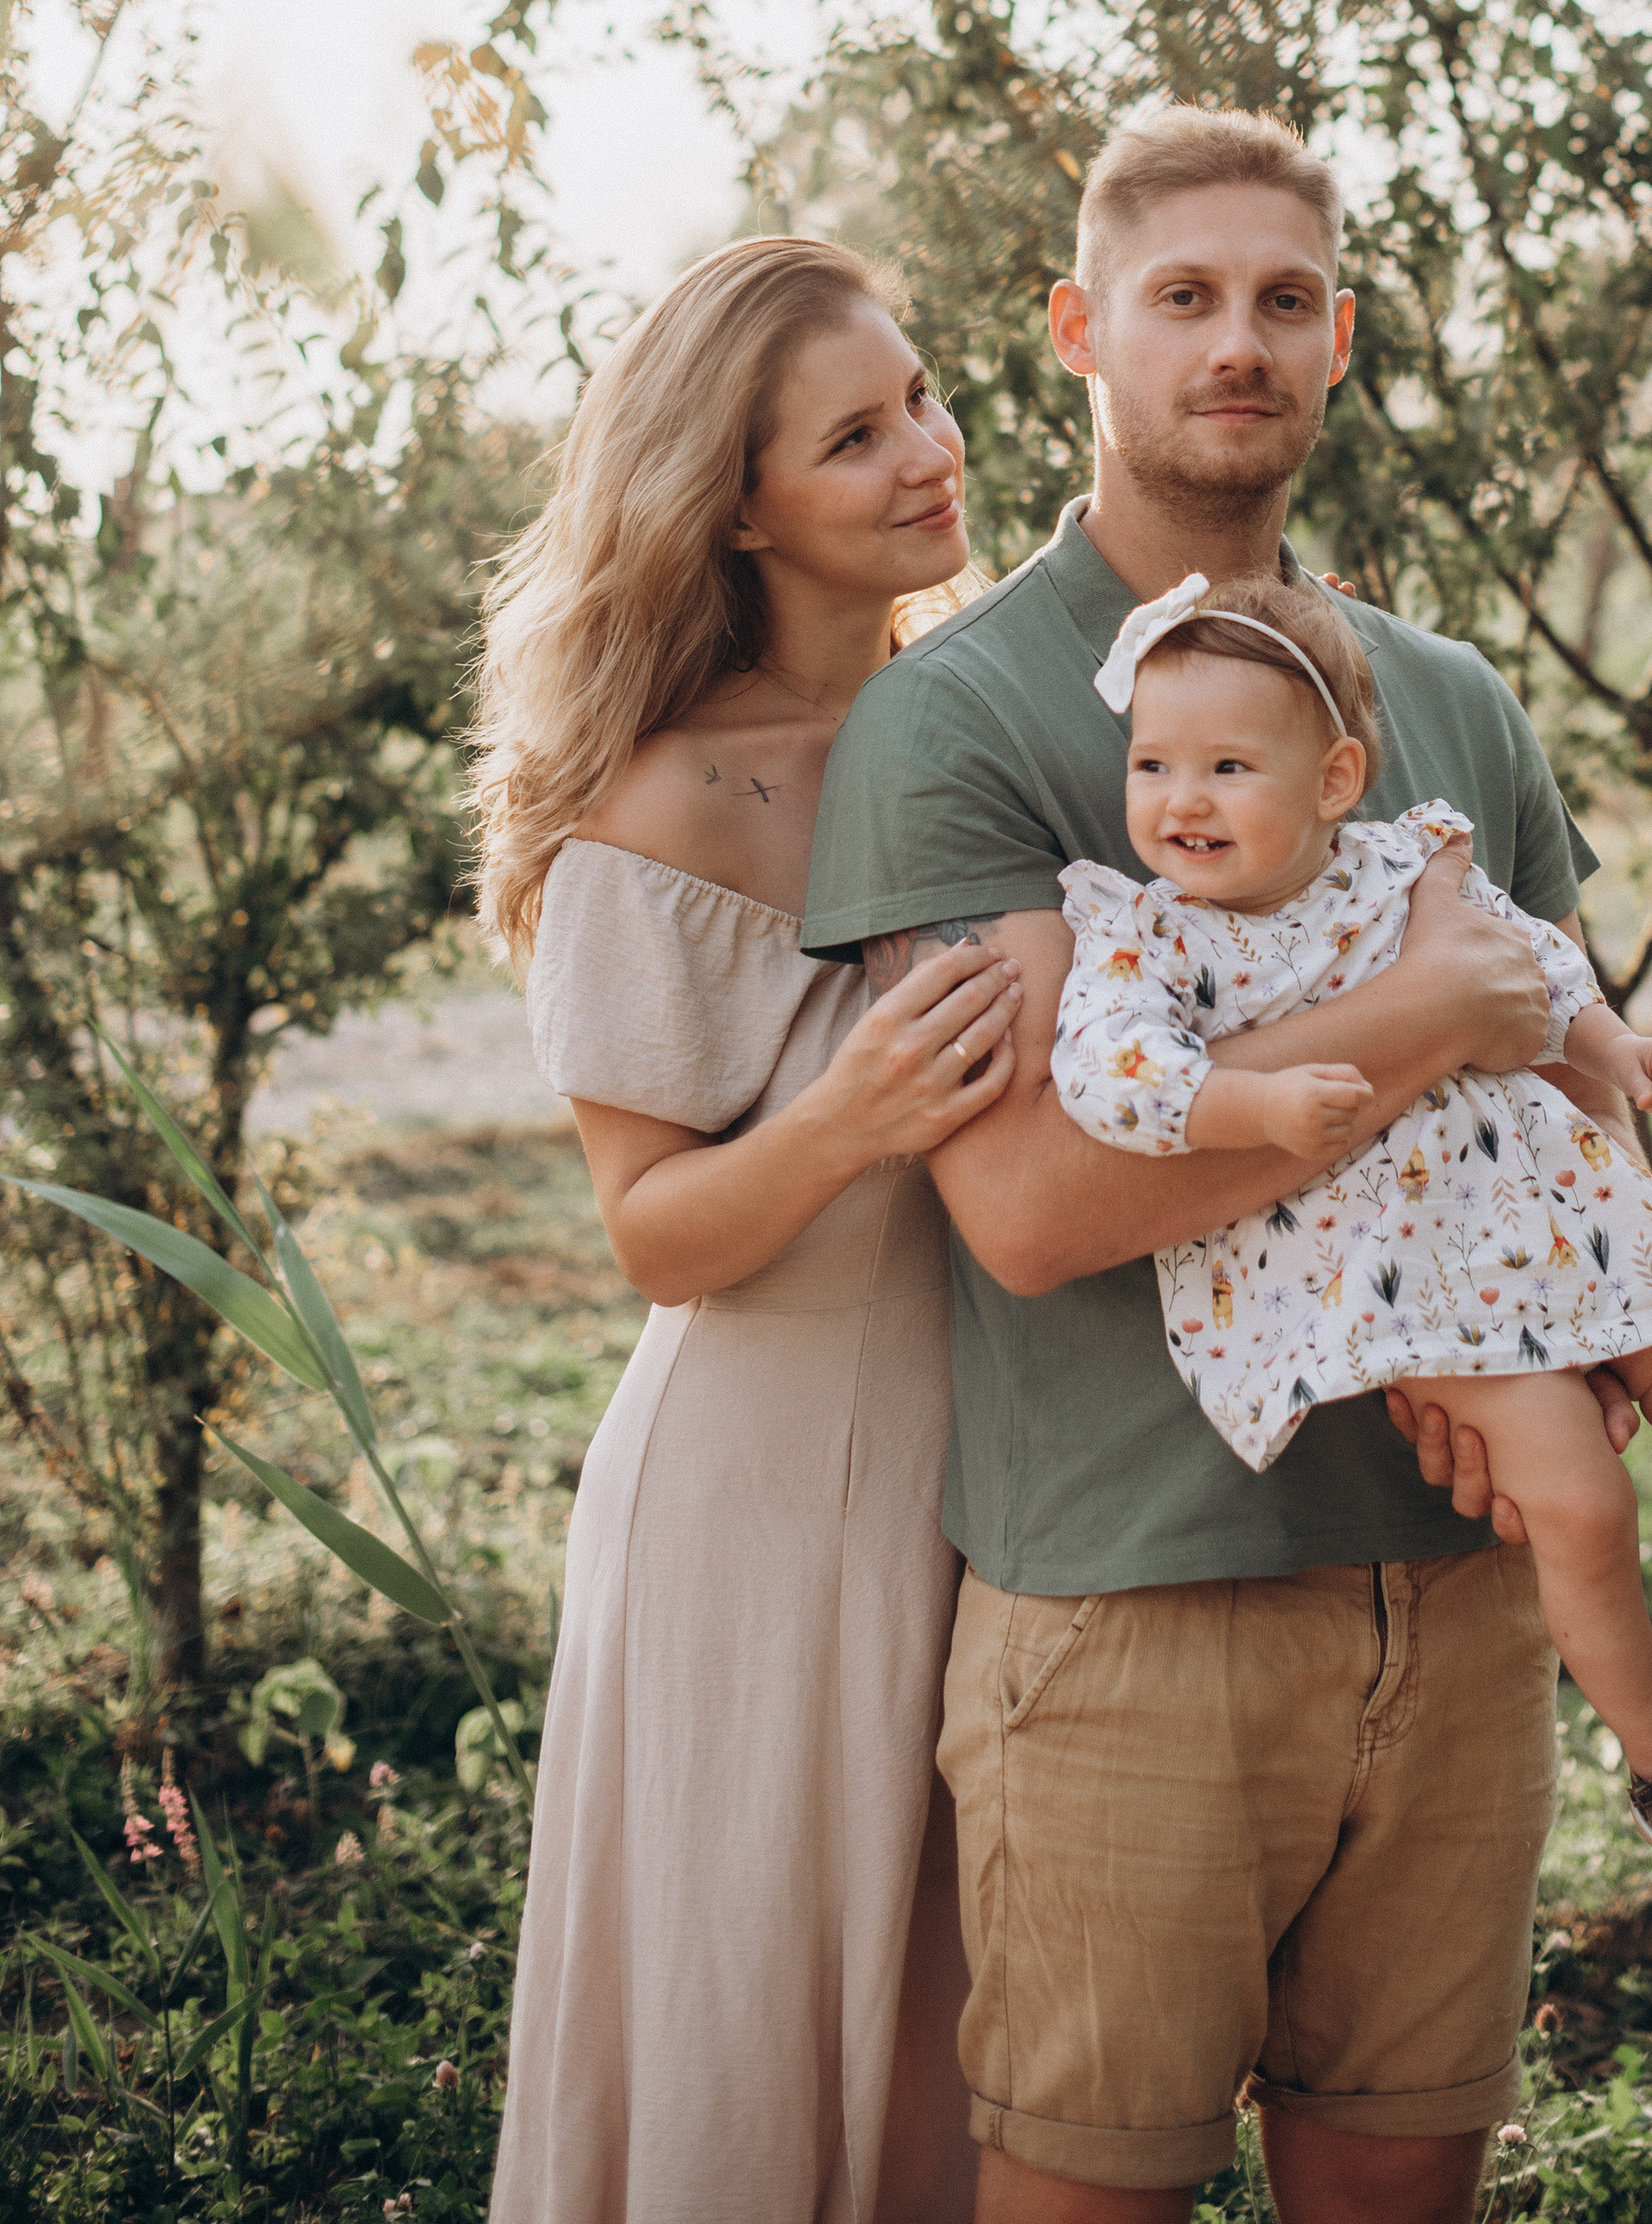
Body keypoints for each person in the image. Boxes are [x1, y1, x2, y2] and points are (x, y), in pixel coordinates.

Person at [801, 106, 1652, 2222]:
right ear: (1075, 332)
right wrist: (1413, 1017)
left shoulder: (1451, 700)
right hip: (1135, 1606)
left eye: (1284, 302)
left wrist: (1554, 1359)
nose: (1240, 343)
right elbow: (1032, 1210)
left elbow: (1563, 1090)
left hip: (1470, 1582)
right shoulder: (960, 721)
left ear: (1339, 341)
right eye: (1183, 298)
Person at [1051, 566, 1652, 1912]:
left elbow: (1541, 974)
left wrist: (1618, 1046)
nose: (1181, 799)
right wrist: (1251, 1099)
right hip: (1399, 1264)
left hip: (1551, 1200)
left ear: (1336, 777)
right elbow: (1108, 1076)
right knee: (1579, 1498)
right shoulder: (1151, 942)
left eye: (1229, 764)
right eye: (1154, 761)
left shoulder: (1413, 864)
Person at [474, 237, 1024, 2224]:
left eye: (926, 396)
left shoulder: (988, 731)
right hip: (763, 1501)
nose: (928, 453)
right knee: (754, 2020)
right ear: (732, 500)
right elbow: (655, 1234)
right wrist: (848, 1117)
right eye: (856, 434)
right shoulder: (664, 805)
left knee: (946, 2037)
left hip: (1000, 1474)